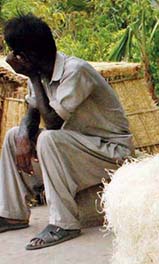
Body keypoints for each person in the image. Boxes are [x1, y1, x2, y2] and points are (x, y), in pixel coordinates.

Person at [0, 14, 132, 249]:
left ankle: (64, 224)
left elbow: (51, 122)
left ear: (27, 56)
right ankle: (12, 214)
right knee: (13, 136)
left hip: (111, 153)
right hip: (78, 149)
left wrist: (31, 75)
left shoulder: (75, 71)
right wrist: (23, 135)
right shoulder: (40, 72)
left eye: (14, 52)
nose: (11, 57)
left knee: (50, 138)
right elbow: (33, 109)